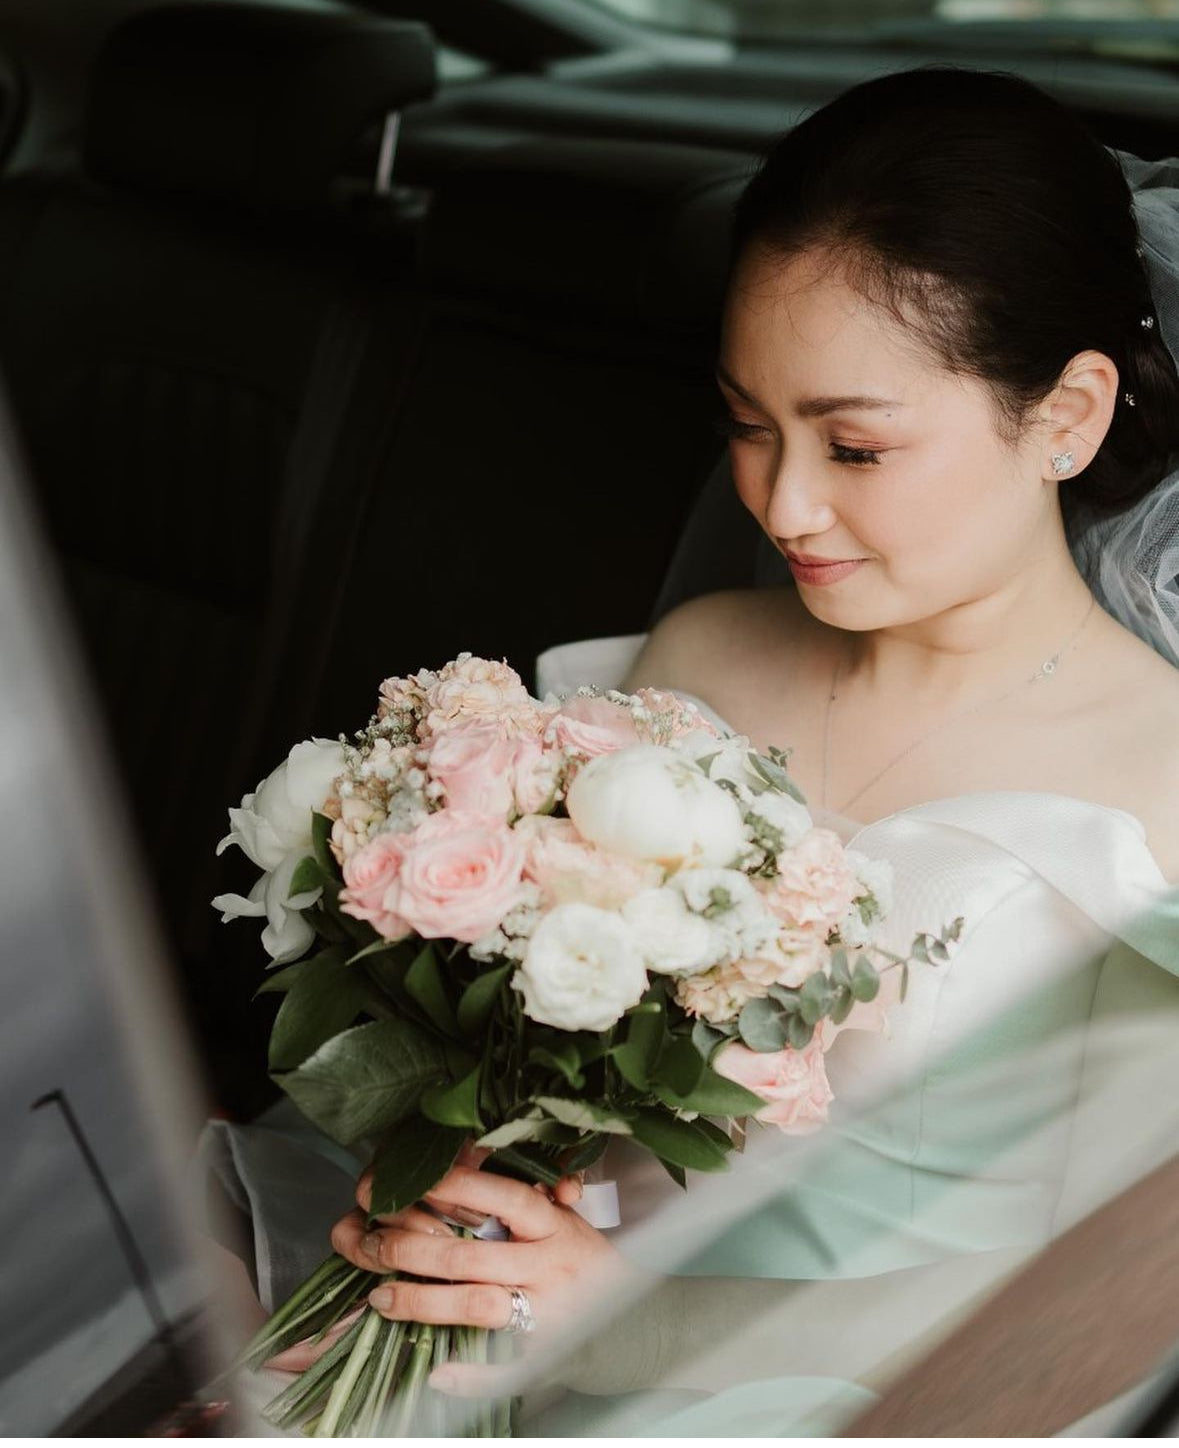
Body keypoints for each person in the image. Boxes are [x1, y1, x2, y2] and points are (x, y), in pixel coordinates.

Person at [224, 66, 1179, 1434]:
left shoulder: (1165, 784)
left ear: (1068, 417)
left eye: (855, 446)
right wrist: (458, 1184)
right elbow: (561, 1092)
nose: (782, 502)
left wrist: (628, 1319)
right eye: (746, 424)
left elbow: (1096, 1306)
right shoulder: (703, 663)